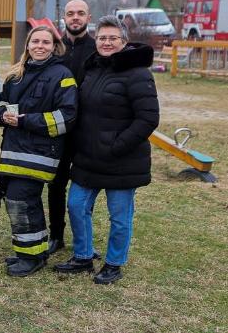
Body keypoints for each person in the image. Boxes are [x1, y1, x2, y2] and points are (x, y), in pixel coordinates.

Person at [54, 16, 159, 284]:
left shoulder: (138, 74)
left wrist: (117, 146)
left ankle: (114, 263)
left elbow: (148, 118)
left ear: (124, 42)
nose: (107, 42)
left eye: (113, 38)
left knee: (120, 216)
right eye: (102, 38)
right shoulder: (93, 69)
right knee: (76, 206)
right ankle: (83, 256)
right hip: (88, 157)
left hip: (121, 160)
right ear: (96, 41)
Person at [0, 25, 77, 277]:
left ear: (54, 46)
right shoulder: (15, 75)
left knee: (21, 201)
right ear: (27, 45)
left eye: (46, 42)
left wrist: (25, 121)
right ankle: (34, 251)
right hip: (13, 151)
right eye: (35, 41)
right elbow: (0, 102)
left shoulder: (62, 75)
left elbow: (67, 117)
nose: (40, 46)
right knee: (19, 201)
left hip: (40, 154)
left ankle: (30, 259)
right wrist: (0, 114)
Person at [47, 0, 97, 255]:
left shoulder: (97, 49)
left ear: (89, 17)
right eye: (70, 13)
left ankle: (84, 238)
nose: (75, 17)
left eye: (80, 13)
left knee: (86, 186)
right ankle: (56, 234)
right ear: (63, 17)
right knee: (55, 184)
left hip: (88, 130)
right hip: (60, 129)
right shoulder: (56, 49)